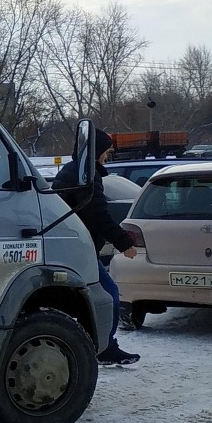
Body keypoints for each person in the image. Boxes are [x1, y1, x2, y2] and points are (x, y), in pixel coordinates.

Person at [53, 129, 140, 366]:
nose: (108, 157)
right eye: (107, 152)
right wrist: (124, 243)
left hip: (72, 247)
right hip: (77, 249)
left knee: (97, 296)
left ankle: (97, 344)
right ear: (97, 151)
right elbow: (97, 214)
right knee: (109, 293)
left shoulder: (75, 172)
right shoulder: (85, 176)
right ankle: (105, 348)